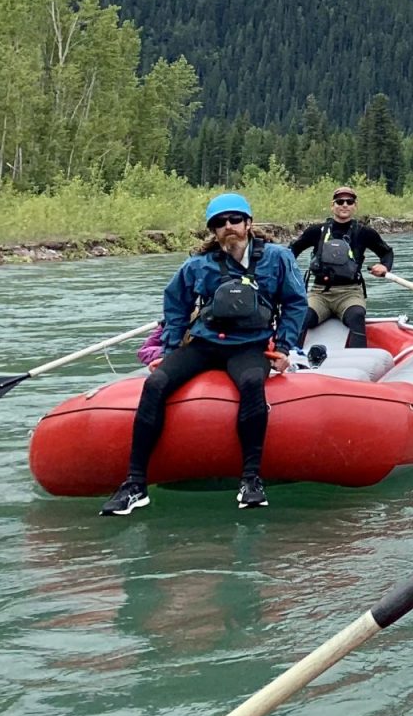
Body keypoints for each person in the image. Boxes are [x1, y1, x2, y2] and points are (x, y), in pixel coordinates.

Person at [100, 192, 308, 516]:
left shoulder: (278, 258)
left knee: (252, 383)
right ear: (213, 231)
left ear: (249, 224)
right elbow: (176, 305)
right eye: (219, 223)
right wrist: (169, 350)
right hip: (205, 343)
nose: (228, 227)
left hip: (250, 345)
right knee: (155, 385)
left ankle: (251, 480)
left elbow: (296, 303)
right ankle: (135, 485)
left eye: (235, 220)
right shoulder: (198, 265)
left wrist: (284, 347)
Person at [287, 186, 393, 350]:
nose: (344, 205)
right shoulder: (316, 231)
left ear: (354, 206)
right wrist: (288, 272)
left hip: (350, 293)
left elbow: (386, 252)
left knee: (357, 315)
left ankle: (358, 363)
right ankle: (291, 359)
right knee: (302, 316)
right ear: (332, 205)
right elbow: (292, 250)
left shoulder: (364, 232)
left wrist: (384, 266)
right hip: (319, 293)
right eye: (340, 201)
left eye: (349, 202)